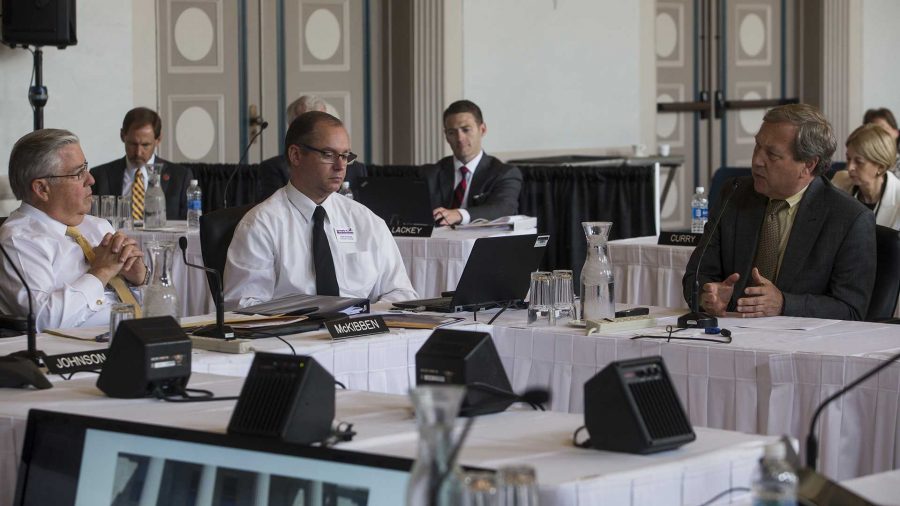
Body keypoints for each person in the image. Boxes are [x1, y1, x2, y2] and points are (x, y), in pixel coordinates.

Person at [682, 104, 875, 321]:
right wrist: (707, 296)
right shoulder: (734, 193)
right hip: (732, 336)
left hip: (803, 347)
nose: (756, 161)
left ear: (808, 165)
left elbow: (851, 309)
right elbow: (695, 275)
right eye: (757, 147)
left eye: (772, 155)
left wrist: (784, 303)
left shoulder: (848, 219)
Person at [224, 111, 416, 308]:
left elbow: (401, 292)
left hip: (358, 333)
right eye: (328, 154)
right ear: (296, 155)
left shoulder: (365, 220)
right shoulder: (261, 224)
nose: (340, 166)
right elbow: (243, 307)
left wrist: (365, 318)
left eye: (345, 155)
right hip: (292, 335)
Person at [0, 129, 148, 331]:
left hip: (140, 333)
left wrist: (140, 279)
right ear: (42, 189)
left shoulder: (97, 226)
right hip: (83, 352)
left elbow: (147, 304)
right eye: (78, 173)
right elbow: (42, 320)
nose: (91, 180)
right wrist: (101, 273)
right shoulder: (19, 240)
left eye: (86, 168)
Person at [424, 100, 523, 226]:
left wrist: (460, 214)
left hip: (484, 243)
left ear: (482, 129)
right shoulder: (431, 173)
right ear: (446, 136)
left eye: (466, 130)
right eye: (452, 132)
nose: (459, 138)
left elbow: (503, 208)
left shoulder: (504, 173)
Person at [257, 95, 367, 201]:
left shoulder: (356, 169)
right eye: (327, 154)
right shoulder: (274, 169)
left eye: (323, 121)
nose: (340, 166)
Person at [90, 107, 194, 220]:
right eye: (132, 144)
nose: (138, 152)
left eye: (145, 145)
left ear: (158, 139)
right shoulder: (99, 176)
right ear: (122, 136)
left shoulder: (180, 177)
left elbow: (189, 226)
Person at [832, 124, 900, 229]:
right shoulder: (839, 181)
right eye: (848, 158)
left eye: (859, 162)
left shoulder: (897, 197)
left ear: (881, 167)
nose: (850, 167)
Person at [862, 107, 900, 177]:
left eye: (883, 129)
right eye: (874, 131)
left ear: (896, 132)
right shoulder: (859, 162)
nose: (879, 136)